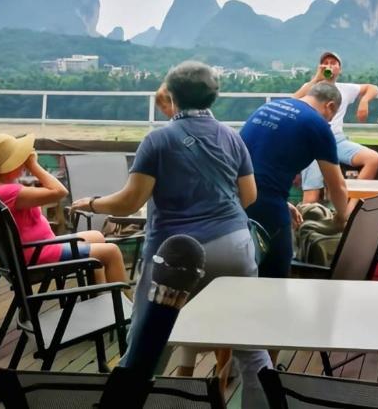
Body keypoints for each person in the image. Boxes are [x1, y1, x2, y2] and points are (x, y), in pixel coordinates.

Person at [71, 61, 271, 405]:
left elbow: (130, 200)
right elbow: (249, 196)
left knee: (149, 338)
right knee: (249, 346)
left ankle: (131, 402)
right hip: (235, 246)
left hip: (176, 256)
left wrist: (92, 203)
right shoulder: (232, 137)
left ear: (171, 95)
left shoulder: (158, 140)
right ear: (213, 96)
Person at [0, 133, 126, 285]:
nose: (23, 162)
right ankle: (121, 304)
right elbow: (59, 192)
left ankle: (100, 297)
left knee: (97, 236)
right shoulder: (9, 192)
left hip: (35, 249)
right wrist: (34, 166)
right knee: (112, 252)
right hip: (38, 254)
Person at [241, 81, 349, 279]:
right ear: (330, 106)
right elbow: (337, 185)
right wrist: (342, 219)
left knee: (247, 272)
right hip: (267, 205)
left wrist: (284, 202)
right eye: (331, 118)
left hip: (235, 198)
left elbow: (258, 161)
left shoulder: (268, 107)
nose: (329, 122)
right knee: (277, 276)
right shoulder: (317, 124)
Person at [295, 51, 378, 207]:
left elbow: (373, 87)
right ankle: (305, 227)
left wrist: (364, 101)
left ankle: (352, 208)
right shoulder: (310, 88)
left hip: (337, 140)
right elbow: (292, 101)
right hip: (313, 143)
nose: (329, 66)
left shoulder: (345, 89)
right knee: (311, 195)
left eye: (333, 63)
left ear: (339, 69)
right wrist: (316, 79)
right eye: (325, 63)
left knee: (373, 158)